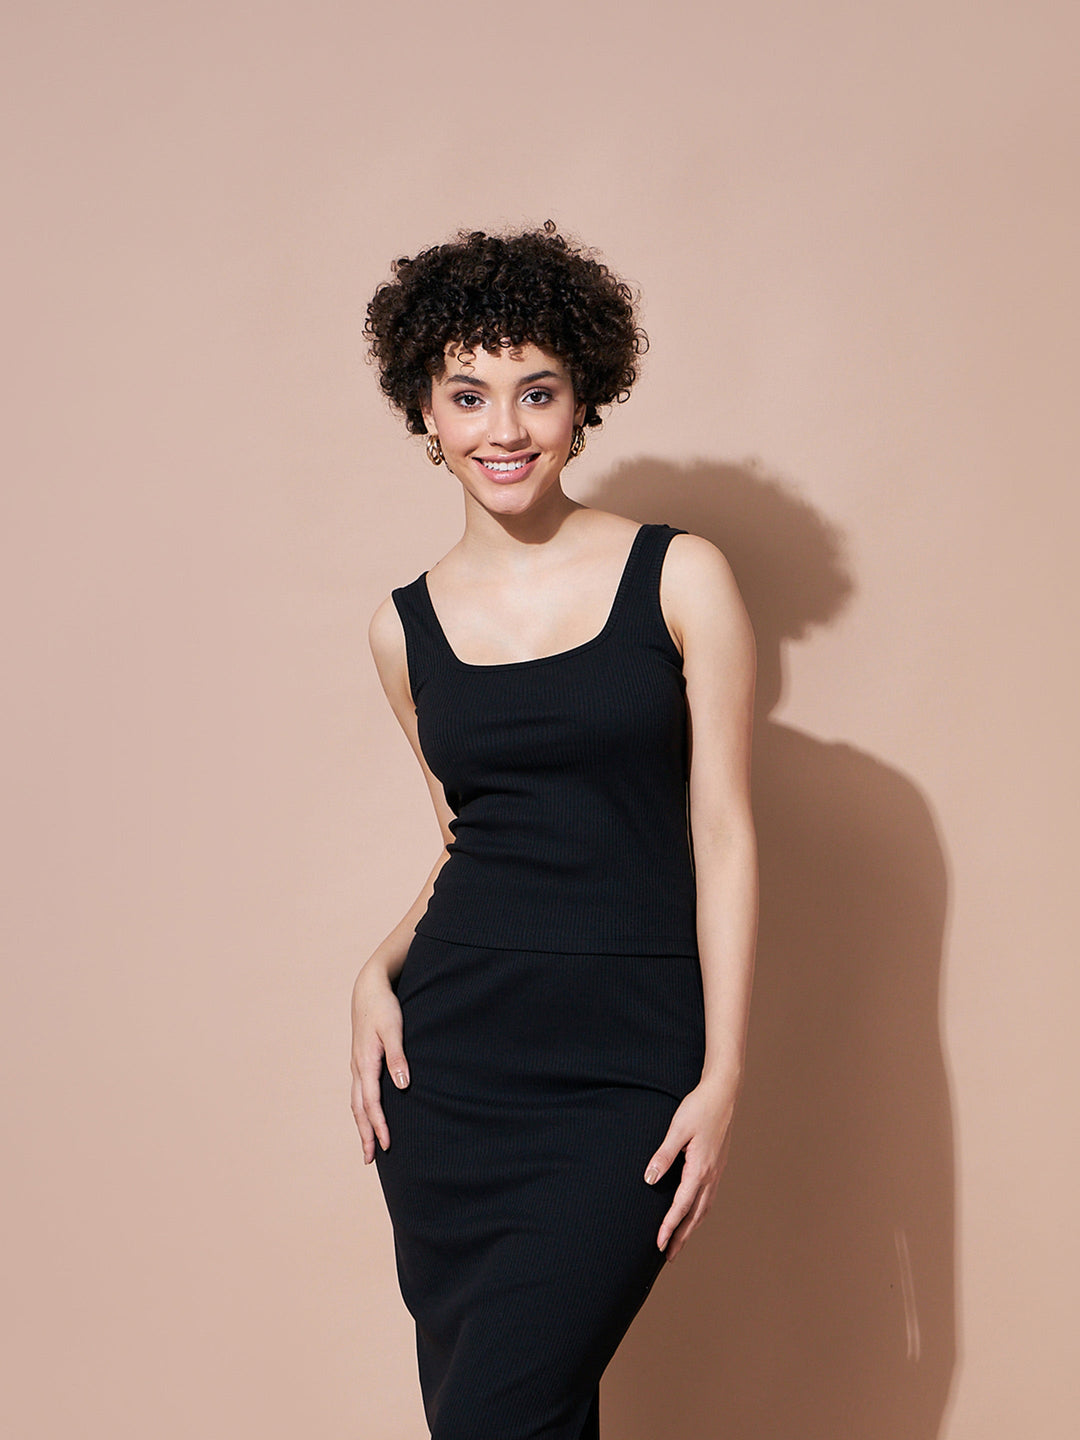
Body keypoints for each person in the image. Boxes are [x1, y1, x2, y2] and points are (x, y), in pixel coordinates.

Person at [351, 222, 758, 1440]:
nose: (506, 428)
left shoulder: (681, 577)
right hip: (455, 1066)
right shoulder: (401, 628)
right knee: (511, 1416)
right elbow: (468, 843)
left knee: (502, 1412)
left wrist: (724, 1072)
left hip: (629, 1055)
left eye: (537, 392)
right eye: (468, 396)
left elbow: (723, 832)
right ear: (427, 415)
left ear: (584, 403)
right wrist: (376, 967)